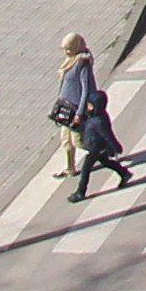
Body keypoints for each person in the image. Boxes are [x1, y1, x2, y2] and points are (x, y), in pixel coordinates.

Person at [52, 33, 131, 200]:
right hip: (66, 110)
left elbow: (86, 90)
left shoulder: (82, 63)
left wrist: (80, 113)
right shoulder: (69, 61)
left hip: (76, 112)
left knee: (79, 142)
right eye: (64, 48)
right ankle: (70, 168)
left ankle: (105, 159)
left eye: (68, 48)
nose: (66, 51)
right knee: (66, 140)